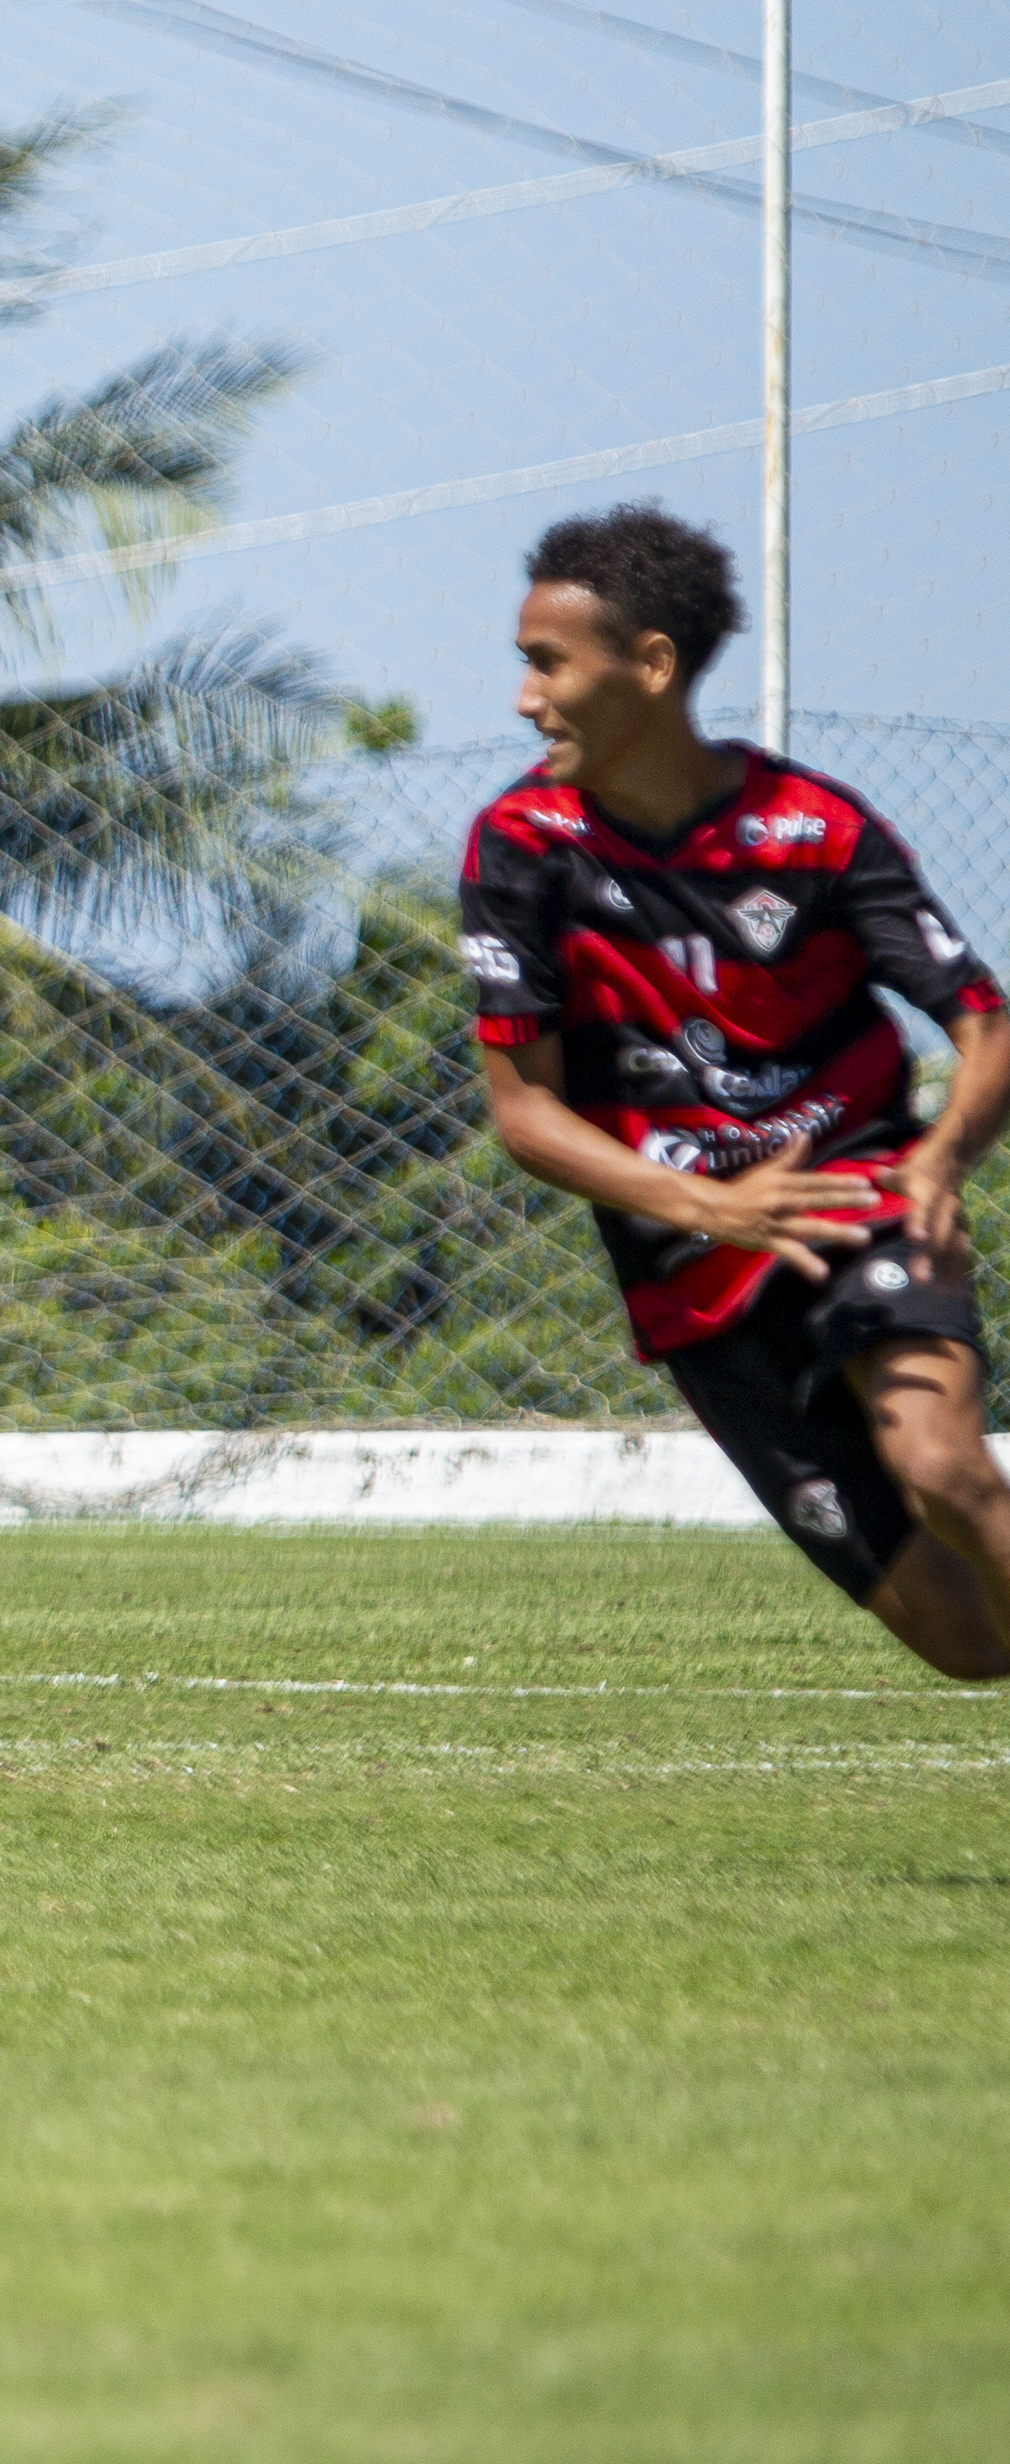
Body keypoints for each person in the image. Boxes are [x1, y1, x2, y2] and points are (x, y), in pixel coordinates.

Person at [463, 504, 1010, 1678]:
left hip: (853, 1198)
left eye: (547, 663)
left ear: (651, 666)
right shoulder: (521, 849)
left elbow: (984, 1021)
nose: (525, 699)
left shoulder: (816, 828)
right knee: (966, 1642)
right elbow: (527, 1116)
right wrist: (713, 1209)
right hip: (691, 1273)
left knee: (946, 1467)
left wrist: (940, 1160)